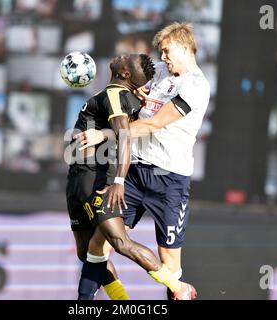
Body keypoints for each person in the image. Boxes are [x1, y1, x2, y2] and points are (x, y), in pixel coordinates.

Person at [74, 22, 210, 300]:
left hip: (170, 179)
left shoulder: (197, 86)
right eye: (161, 52)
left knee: (170, 266)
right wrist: (134, 94)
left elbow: (156, 123)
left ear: (185, 48)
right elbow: (124, 92)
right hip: (134, 170)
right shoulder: (159, 72)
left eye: (167, 51)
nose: (163, 58)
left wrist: (103, 134)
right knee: (99, 241)